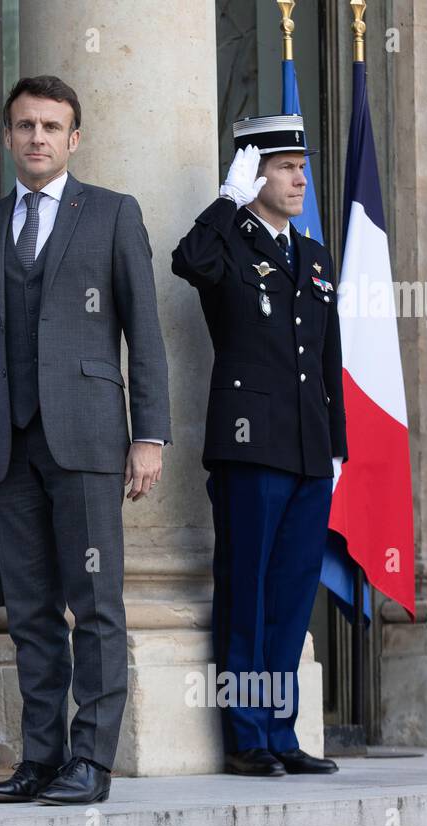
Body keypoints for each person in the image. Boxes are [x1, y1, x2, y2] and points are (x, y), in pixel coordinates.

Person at [0, 76, 172, 806]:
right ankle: (40, 756)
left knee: (96, 603)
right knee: (32, 610)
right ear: (7, 137)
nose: (36, 137)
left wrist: (150, 437)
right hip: (6, 448)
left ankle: (92, 761)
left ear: (74, 139)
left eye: (51, 126)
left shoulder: (110, 213)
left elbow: (146, 333)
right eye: (24, 126)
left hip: (90, 438)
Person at [171, 114, 346, 776]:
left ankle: (279, 731)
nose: (300, 178)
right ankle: (245, 737)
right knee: (246, 593)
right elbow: (188, 261)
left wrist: (338, 447)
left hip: (307, 451)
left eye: (302, 166)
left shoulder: (314, 255)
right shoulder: (229, 244)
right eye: (283, 167)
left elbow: (328, 360)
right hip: (250, 450)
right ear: (253, 172)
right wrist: (225, 199)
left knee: (292, 595)